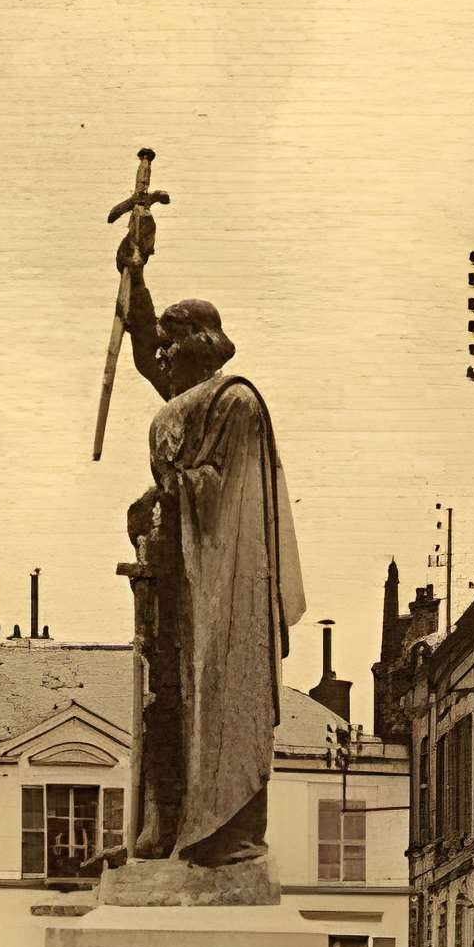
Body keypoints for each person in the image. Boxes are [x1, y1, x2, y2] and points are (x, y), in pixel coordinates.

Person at [111, 209, 307, 873]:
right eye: (160, 349)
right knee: (163, 701)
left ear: (196, 349)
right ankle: (165, 826)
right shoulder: (189, 399)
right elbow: (142, 348)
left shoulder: (234, 404)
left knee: (212, 700)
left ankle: (221, 831)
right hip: (176, 579)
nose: (159, 360)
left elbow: (225, 496)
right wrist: (135, 273)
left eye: (170, 349)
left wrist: (164, 491)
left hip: (222, 587)